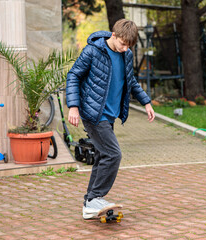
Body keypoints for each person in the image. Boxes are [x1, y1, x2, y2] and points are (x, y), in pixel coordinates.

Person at [66, 19, 155, 219]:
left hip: (110, 115)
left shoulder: (127, 55)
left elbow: (130, 81)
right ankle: (95, 197)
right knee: (113, 154)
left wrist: (146, 103)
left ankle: (90, 202)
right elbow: (73, 76)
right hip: (93, 113)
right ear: (113, 35)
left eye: (128, 46)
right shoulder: (93, 51)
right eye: (122, 44)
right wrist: (73, 106)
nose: (124, 49)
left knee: (102, 155)